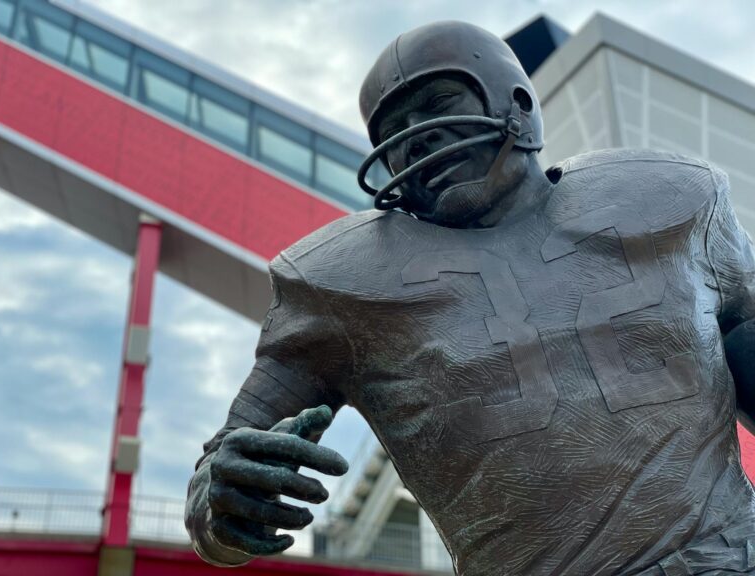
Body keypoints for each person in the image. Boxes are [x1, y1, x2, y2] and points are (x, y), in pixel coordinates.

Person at [185, 21, 755, 575]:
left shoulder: (675, 201)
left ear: (517, 104)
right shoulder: (337, 287)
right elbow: (219, 477)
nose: (416, 136)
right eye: (393, 131)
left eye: (437, 104)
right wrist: (225, 497)